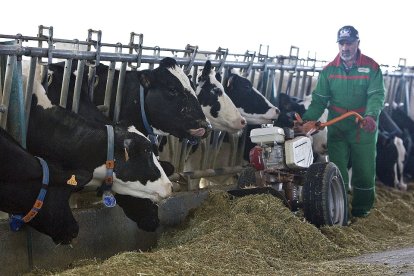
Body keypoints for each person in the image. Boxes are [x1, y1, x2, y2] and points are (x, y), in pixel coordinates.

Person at [298, 25, 385, 218]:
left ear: (357, 43)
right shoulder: (329, 71)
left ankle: (362, 212)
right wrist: (307, 119)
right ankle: (340, 213)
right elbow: (319, 100)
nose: (345, 47)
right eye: (342, 43)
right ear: (338, 45)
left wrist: (371, 115)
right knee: (337, 171)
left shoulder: (371, 67)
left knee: (364, 171)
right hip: (337, 128)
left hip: (363, 126)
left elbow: (377, 95)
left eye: (349, 43)